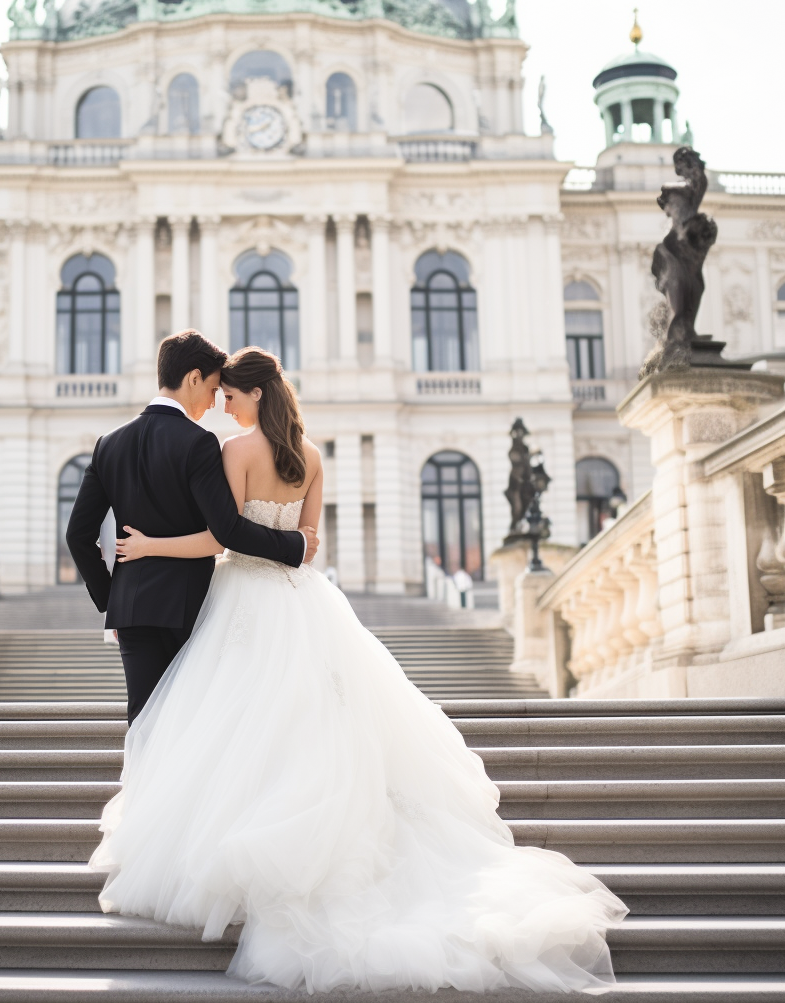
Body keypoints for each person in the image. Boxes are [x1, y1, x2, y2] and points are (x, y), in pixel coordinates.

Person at [89, 346, 627, 994]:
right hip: (299, 598)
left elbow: (221, 536)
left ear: (255, 395)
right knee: (315, 721)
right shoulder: (312, 457)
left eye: (232, 395)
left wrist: (148, 546)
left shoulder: (232, 452)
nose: (223, 405)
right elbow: (311, 544)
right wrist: (291, 547)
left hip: (239, 598)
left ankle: (241, 846)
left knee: (235, 726)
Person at [65, 329, 318, 724]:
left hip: (131, 609)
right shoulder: (199, 443)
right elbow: (226, 531)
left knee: (145, 721)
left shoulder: (108, 444)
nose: (217, 401)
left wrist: (113, 599)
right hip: (191, 608)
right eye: (216, 389)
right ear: (194, 378)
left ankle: (144, 788)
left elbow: (77, 536)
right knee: (191, 725)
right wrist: (295, 546)